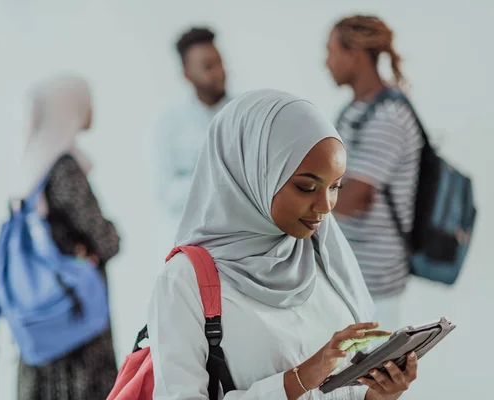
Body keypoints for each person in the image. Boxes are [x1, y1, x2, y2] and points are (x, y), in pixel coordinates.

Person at [147, 89, 419, 399]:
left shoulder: (324, 258)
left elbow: (342, 390)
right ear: (253, 173)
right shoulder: (184, 281)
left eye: (335, 187)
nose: (326, 206)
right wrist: (299, 379)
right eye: (306, 187)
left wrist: (378, 395)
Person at [14, 75, 120, 400]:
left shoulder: (29, 166)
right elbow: (107, 239)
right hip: (76, 325)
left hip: (45, 322)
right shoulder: (63, 168)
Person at [325, 15, 423, 331]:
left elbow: (355, 198)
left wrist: (293, 200)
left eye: (332, 51)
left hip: (374, 286)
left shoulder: (388, 115)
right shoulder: (355, 109)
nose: (326, 62)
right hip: (352, 277)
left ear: (353, 53)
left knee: (376, 379)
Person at [154, 27, 232, 238]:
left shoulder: (246, 114)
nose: (219, 72)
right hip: (194, 240)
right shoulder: (170, 124)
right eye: (208, 66)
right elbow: (167, 194)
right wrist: (216, 180)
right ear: (187, 74)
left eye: (220, 63)